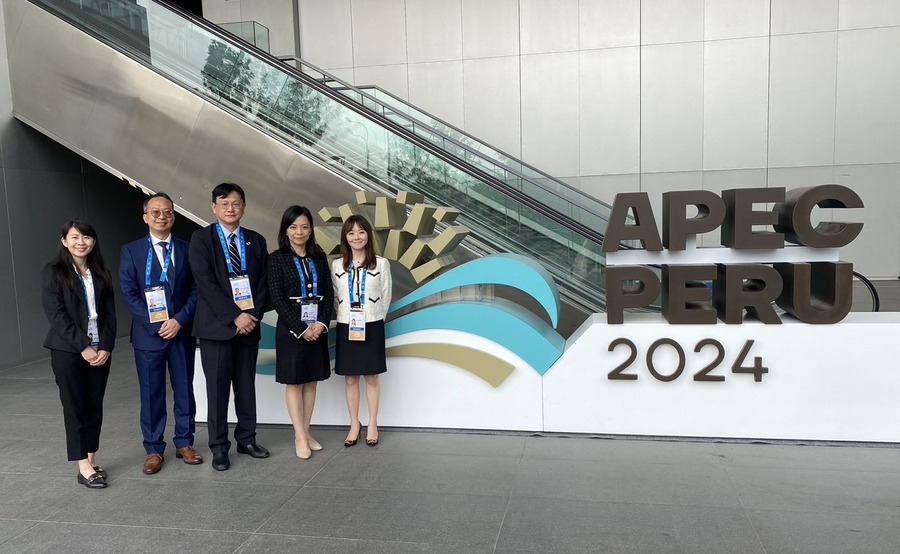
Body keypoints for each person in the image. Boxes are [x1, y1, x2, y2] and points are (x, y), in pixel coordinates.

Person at [119, 192, 201, 475]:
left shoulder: (187, 249)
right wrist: (156, 325)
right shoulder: (131, 251)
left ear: (174, 217)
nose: (162, 216)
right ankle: (154, 449)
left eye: (167, 212)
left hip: (181, 332)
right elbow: (129, 293)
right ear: (145, 217)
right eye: (155, 212)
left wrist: (179, 320)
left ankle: (185, 443)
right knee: (151, 392)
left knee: (184, 389)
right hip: (148, 336)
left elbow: (196, 290)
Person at [189, 183, 269, 471]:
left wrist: (251, 316)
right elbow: (205, 283)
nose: (230, 209)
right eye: (224, 204)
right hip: (217, 329)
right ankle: (219, 447)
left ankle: (247, 439)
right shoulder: (202, 239)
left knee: (246, 387)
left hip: (249, 328)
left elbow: (263, 283)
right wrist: (235, 316)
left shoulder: (256, 241)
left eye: (236, 203)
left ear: (244, 207)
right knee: (217, 391)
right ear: (214, 207)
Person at [41, 219, 116, 489]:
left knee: (94, 405)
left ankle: (92, 459)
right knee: (75, 407)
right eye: (74, 237)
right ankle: (83, 466)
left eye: (86, 237)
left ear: (93, 242)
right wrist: (83, 347)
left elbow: (109, 314)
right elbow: (57, 316)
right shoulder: (54, 271)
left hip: (99, 349)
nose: (80, 242)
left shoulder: (101, 271)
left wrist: (105, 346)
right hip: (68, 351)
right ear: (64, 241)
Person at [267, 206, 333, 459]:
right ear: (286, 230)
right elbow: (277, 298)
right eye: (293, 227)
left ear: (311, 229)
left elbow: (329, 294)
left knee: (311, 381)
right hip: (292, 330)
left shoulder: (319, 256)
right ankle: (299, 435)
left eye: (305, 227)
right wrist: (301, 328)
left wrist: (322, 324)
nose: (299, 232)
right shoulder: (277, 259)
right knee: (295, 382)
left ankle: (306, 431)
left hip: (317, 328)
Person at [331, 215, 392, 447]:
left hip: (372, 324)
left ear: (368, 235)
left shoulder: (381, 263)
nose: (356, 237)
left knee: (372, 378)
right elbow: (336, 297)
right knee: (350, 379)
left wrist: (374, 317)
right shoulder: (337, 265)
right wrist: (347, 314)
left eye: (361, 232)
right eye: (351, 233)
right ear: (345, 237)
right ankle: (354, 424)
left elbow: (386, 296)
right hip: (347, 325)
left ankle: (373, 423)